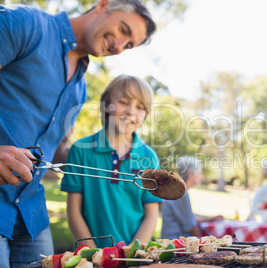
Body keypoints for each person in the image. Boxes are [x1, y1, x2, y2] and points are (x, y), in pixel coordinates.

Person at [0, 1, 156, 266]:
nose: (119, 46)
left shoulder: (79, 88)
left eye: (128, 44)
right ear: (103, 5)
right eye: (123, 29)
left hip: (31, 217)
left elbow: (59, 150)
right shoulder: (26, 25)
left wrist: (97, 154)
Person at [61, 75, 162, 248]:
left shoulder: (149, 157)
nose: (132, 111)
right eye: (124, 102)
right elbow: (73, 211)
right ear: (107, 105)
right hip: (90, 256)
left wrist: (131, 254)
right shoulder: (80, 149)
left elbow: (151, 215)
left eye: (140, 107)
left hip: (132, 256)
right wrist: (93, 255)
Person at [161, 156, 224, 239]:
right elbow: (191, 227)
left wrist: (212, 219)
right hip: (175, 242)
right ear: (190, 173)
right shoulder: (181, 193)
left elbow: (189, 218)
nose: (201, 177)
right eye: (199, 173)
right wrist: (204, 242)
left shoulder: (177, 190)